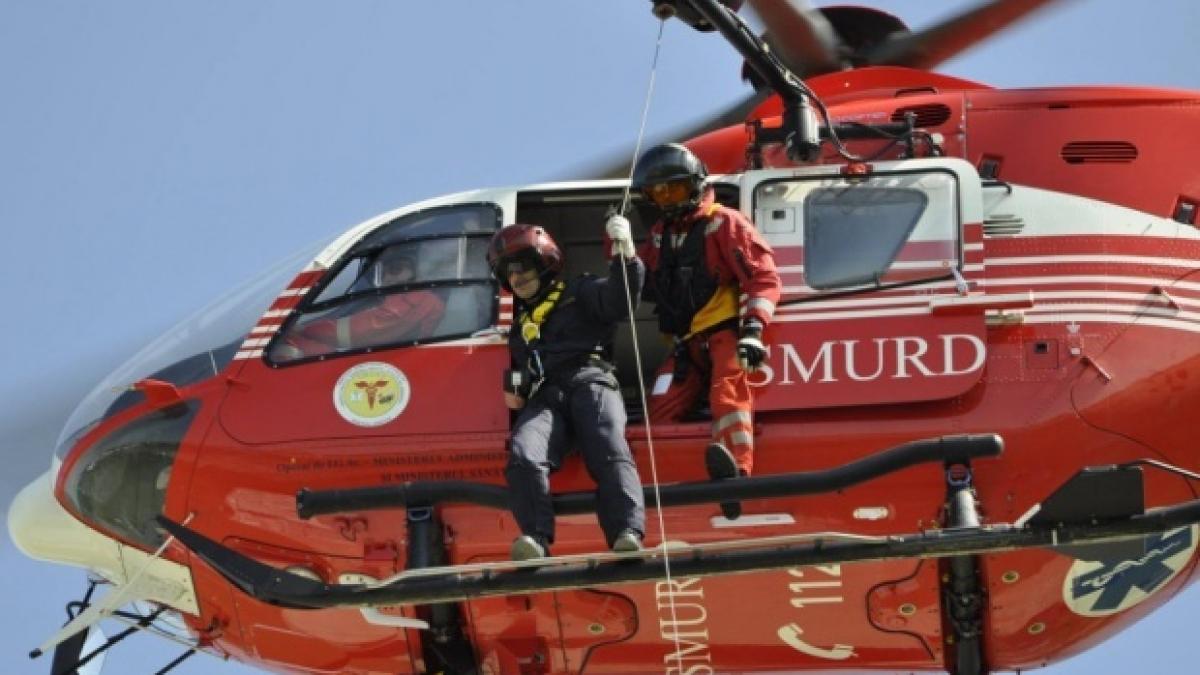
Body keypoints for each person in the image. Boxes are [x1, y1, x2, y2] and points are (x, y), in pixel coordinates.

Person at [627, 142, 781, 518]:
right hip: (685, 345)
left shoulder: (723, 223)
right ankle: (663, 496)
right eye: (657, 192)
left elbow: (763, 279)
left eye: (674, 189)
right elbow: (636, 281)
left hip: (723, 332)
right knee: (660, 405)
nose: (666, 199)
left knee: (727, 396)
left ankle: (736, 477)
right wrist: (618, 245)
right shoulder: (661, 236)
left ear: (695, 184)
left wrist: (752, 332)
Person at [488, 222, 646, 561]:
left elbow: (620, 302)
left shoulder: (581, 291)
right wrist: (515, 393)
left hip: (590, 379)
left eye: (522, 267)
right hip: (547, 396)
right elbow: (519, 379)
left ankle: (626, 531)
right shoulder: (519, 331)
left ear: (545, 261)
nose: (516, 278)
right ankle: (535, 537)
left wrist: (625, 257)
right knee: (523, 450)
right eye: (508, 273)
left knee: (606, 444)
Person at [277, 248, 445, 358]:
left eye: (395, 270)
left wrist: (303, 329)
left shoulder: (420, 299)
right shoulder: (383, 301)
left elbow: (360, 331)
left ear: (416, 271)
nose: (388, 279)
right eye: (381, 274)